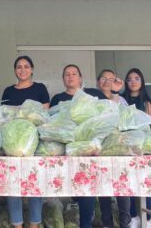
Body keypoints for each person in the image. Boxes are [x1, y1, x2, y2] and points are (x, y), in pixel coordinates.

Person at [50, 64, 107, 228]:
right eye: (66, 74)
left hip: (86, 150)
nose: (70, 76)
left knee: (86, 188)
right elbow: (51, 123)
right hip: (64, 150)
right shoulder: (57, 98)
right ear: (63, 79)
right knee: (70, 187)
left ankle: (85, 224)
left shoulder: (92, 95)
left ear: (80, 78)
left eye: (74, 73)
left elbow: (107, 113)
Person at [2, 55, 49, 228]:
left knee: (34, 183)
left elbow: (45, 114)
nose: (23, 70)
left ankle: (34, 224)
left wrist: (21, 113)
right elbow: (4, 116)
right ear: (15, 70)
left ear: (32, 69)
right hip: (12, 142)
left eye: (26, 66)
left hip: (34, 142)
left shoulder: (40, 88)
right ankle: (17, 224)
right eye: (19, 67)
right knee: (13, 184)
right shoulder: (8, 91)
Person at [97, 69, 131, 228]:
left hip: (118, 148)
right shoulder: (93, 99)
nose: (107, 81)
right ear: (98, 81)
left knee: (122, 188)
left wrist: (115, 92)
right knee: (103, 188)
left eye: (111, 79)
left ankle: (125, 223)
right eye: (104, 78)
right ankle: (107, 223)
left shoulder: (121, 100)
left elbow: (123, 119)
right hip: (100, 149)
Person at [122, 68, 151, 228]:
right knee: (131, 184)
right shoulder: (122, 100)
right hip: (126, 148)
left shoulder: (147, 102)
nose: (133, 81)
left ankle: (147, 218)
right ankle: (134, 216)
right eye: (129, 79)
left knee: (145, 183)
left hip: (143, 148)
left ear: (141, 81)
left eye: (136, 78)